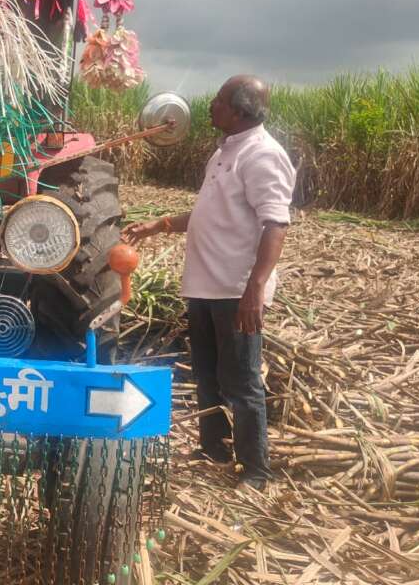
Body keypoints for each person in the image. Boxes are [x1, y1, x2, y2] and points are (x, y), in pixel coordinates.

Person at [123, 75, 296, 490]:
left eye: (218, 100)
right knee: (206, 374)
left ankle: (256, 470)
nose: (210, 105)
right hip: (203, 286)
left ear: (237, 111)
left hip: (234, 291)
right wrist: (160, 225)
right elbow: (208, 213)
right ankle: (213, 447)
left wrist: (255, 288)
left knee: (242, 382)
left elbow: (275, 223)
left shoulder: (262, 155)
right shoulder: (225, 152)